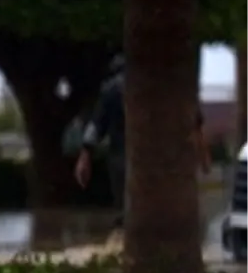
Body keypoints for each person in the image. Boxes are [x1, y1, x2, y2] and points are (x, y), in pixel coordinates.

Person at [75, 54, 211, 228]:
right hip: (159, 161)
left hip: (126, 161)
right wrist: (203, 156)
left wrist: (85, 155)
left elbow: (96, 125)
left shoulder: (113, 88)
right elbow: (195, 123)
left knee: (131, 210)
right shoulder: (170, 84)